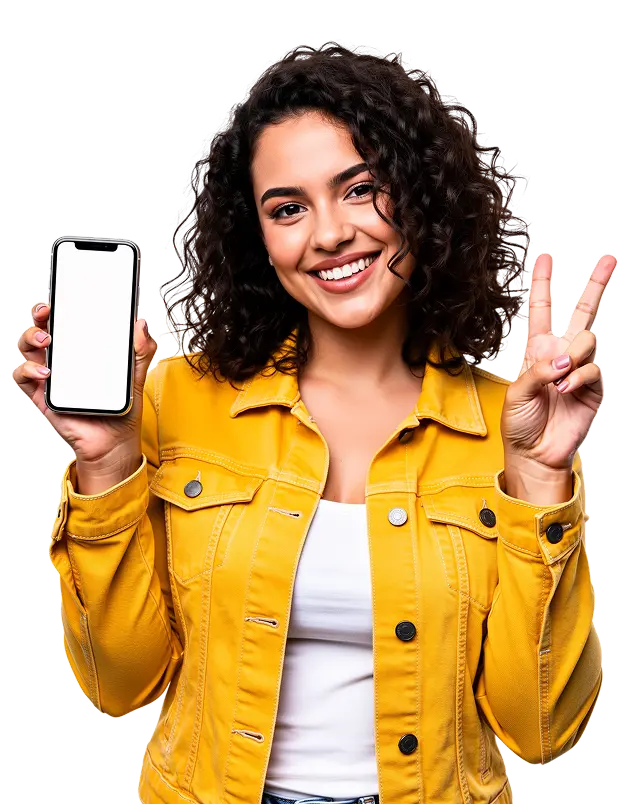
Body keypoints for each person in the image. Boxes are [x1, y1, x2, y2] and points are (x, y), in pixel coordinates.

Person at [14, 41, 612, 804]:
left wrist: (539, 479)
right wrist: (107, 460)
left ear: (422, 195)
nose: (327, 234)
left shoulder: (515, 427)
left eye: (360, 189)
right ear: (256, 239)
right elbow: (119, 688)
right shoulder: (171, 401)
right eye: (287, 208)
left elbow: (539, 729)